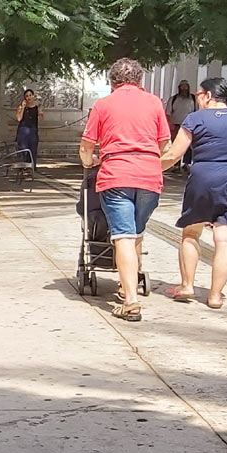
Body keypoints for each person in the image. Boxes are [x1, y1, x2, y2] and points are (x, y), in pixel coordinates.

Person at [160, 76, 227, 309]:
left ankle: (187, 286)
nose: (197, 98)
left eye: (199, 94)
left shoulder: (195, 119)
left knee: (191, 233)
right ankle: (215, 296)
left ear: (208, 95)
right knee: (225, 239)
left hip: (203, 178)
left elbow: (175, 154)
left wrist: (153, 168)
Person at [78, 58, 171, 322]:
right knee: (136, 232)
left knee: (124, 237)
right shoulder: (154, 102)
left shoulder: (103, 104)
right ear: (140, 80)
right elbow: (164, 143)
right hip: (149, 177)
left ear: (112, 81)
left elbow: (87, 146)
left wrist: (89, 162)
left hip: (116, 174)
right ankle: (125, 285)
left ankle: (131, 301)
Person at [167, 81, 197, 169]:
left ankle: (186, 164)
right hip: (176, 125)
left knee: (188, 146)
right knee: (176, 145)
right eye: (182, 87)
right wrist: (170, 124)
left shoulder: (193, 99)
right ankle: (176, 165)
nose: (184, 89)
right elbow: (168, 113)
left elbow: (196, 112)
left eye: (186, 86)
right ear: (179, 88)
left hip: (189, 126)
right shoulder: (173, 99)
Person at [15, 88, 39, 165]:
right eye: (27, 96)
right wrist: (22, 108)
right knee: (23, 150)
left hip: (33, 132)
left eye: (30, 95)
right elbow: (19, 118)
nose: (29, 97)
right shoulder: (21, 107)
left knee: (33, 150)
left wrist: (41, 113)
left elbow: (41, 118)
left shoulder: (37, 108)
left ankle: (32, 167)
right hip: (23, 132)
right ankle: (23, 167)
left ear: (33, 96)